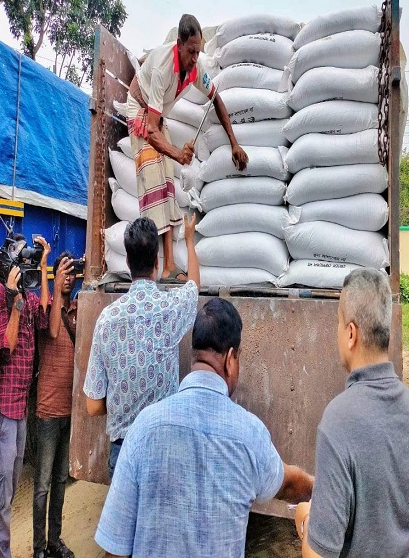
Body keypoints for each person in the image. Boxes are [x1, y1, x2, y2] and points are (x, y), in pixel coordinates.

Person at [95, 298, 314, 558]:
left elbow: (115, 548)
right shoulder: (248, 433)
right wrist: (323, 489)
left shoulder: (144, 427)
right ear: (231, 359)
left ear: (194, 354)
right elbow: (287, 484)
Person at [294, 269, 409, 558]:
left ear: (351, 334)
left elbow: (319, 554)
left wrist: (307, 520)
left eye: (338, 323)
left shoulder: (338, 420)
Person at [125, 13, 248, 283]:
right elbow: (153, 130)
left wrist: (234, 143)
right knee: (154, 180)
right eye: (191, 51)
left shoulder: (194, 69)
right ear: (179, 44)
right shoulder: (162, 68)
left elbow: (217, 100)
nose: (195, 57)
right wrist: (179, 154)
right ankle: (155, 269)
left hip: (156, 116)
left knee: (168, 184)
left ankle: (169, 265)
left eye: (198, 51)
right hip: (139, 110)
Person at [83, 214, 201, 477]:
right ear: (157, 263)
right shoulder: (170, 308)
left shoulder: (106, 320)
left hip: (122, 454)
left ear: (126, 261)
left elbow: (92, 406)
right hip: (163, 451)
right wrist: (190, 241)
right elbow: (194, 287)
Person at [0, 234, 49, 558]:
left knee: (7, 488)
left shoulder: (26, 293)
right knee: (2, 488)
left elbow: (46, 315)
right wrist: (12, 300)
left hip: (20, 408)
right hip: (3, 411)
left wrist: (43, 266)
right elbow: (4, 348)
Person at [33, 253, 80, 558]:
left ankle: (55, 541)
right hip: (48, 412)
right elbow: (51, 330)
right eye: (65, 272)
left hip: (68, 410)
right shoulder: (46, 308)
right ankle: (38, 548)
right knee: (41, 485)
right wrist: (51, 277)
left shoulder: (76, 310)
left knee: (61, 481)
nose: (69, 277)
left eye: (71, 272)